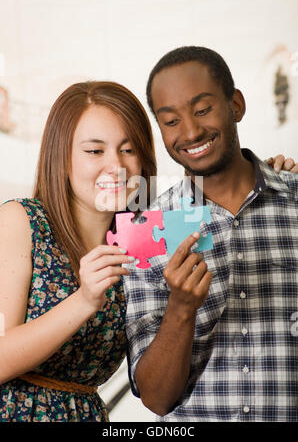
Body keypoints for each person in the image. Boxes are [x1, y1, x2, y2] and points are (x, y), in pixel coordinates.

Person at [124, 46, 298, 422]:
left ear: (235, 105)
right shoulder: (146, 231)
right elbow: (155, 398)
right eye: (170, 121)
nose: (190, 131)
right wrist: (181, 308)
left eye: (203, 110)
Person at [0, 80, 157, 422]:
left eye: (129, 150)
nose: (116, 166)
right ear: (62, 156)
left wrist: (264, 174)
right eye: (95, 151)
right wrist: (84, 300)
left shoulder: (140, 242)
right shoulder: (20, 221)